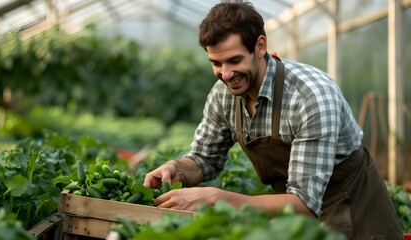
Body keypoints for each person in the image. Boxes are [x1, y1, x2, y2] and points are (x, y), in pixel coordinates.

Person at [143, 0, 403, 239]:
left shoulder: (311, 97)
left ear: (260, 46)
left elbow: (303, 203)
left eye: (234, 60)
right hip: (293, 212)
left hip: (353, 207)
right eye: (216, 63)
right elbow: (204, 158)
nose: (226, 74)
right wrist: (177, 169)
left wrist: (216, 199)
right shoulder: (223, 95)